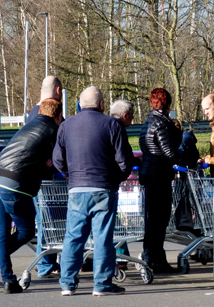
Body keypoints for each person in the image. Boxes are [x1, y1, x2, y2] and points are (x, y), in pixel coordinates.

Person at [53, 86, 135, 296]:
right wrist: (115, 179)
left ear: (80, 105)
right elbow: (124, 161)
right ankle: (101, 284)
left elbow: (57, 159)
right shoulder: (111, 124)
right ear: (102, 105)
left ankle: (67, 284)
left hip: (76, 189)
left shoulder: (66, 125)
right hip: (103, 189)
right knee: (103, 237)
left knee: (73, 237)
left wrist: (70, 176)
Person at [0, 99, 62, 294]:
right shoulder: (52, 130)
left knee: (3, 235)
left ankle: (8, 280)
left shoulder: (29, 125)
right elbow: (57, 160)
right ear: (58, 116)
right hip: (14, 183)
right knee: (26, 231)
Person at [138, 88, 182, 273]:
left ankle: (150, 255)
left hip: (149, 173)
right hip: (159, 175)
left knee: (152, 219)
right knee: (160, 219)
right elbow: (169, 152)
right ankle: (157, 259)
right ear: (168, 104)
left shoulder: (148, 121)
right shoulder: (162, 123)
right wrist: (185, 160)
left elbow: (146, 146)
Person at [26, 75, 63, 279]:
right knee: (47, 222)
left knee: (47, 222)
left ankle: (48, 263)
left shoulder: (32, 113)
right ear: (58, 91)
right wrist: (48, 158)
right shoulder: (45, 115)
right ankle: (46, 265)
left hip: (39, 177)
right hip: (44, 178)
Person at [109, 99, 136, 269]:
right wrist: (123, 175)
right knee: (113, 222)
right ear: (125, 115)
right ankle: (121, 256)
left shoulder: (103, 124)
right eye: (132, 116)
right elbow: (124, 157)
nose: (132, 120)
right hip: (108, 182)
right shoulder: (118, 128)